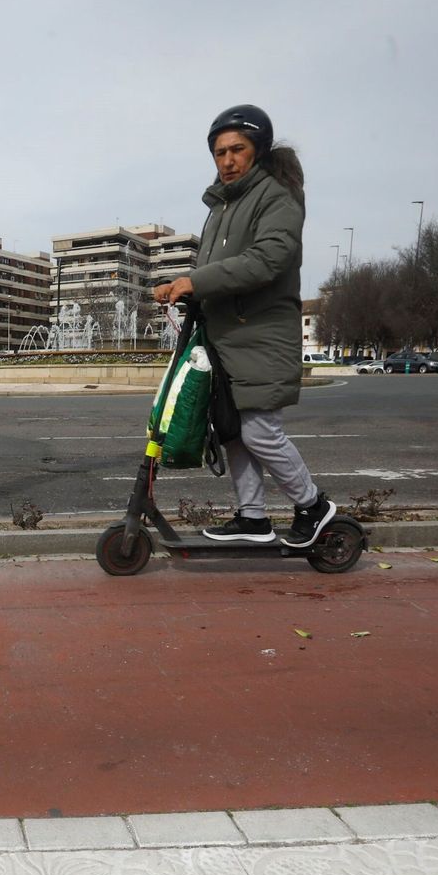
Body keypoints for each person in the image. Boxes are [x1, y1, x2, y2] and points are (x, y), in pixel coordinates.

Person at [153, 104, 336, 548]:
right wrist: (188, 288)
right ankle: (253, 517)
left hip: (261, 336)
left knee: (258, 431)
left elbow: (267, 260)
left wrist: (194, 281)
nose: (228, 160)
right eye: (219, 153)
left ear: (259, 149)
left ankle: (313, 505)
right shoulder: (224, 206)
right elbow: (221, 267)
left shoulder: (276, 196)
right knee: (231, 428)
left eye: (238, 149)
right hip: (228, 336)